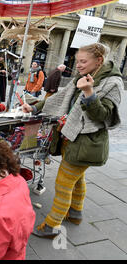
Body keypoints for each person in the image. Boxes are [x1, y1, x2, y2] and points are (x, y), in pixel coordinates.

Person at [22, 43, 123, 238]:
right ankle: (75, 214)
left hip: (87, 143)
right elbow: (59, 98)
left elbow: (104, 116)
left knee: (63, 183)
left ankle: (52, 226)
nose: (78, 65)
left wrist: (89, 93)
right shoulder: (80, 76)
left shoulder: (112, 83)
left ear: (99, 61)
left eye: (83, 61)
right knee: (77, 179)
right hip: (71, 138)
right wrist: (34, 107)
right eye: (77, 61)